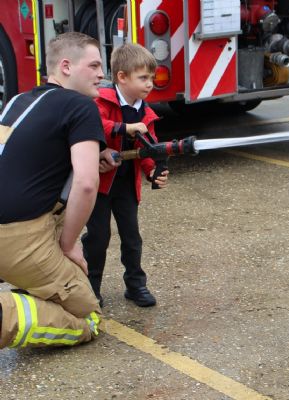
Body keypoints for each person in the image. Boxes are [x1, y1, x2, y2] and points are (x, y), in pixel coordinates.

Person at [0, 32, 116, 348]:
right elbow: (87, 183)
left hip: (10, 229)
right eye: (94, 65)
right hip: (20, 241)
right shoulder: (81, 106)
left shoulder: (17, 101)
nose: (102, 74)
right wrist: (68, 246)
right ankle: (5, 315)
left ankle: (29, 288)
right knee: (89, 319)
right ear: (66, 66)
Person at [81, 43, 168, 308]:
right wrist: (124, 127)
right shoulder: (102, 100)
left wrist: (152, 170)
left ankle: (136, 285)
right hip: (100, 185)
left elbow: (148, 146)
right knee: (98, 238)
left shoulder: (145, 112)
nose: (150, 84)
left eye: (151, 78)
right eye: (143, 78)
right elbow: (95, 124)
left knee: (132, 238)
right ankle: (91, 289)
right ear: (122, 77)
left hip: (127, 185)